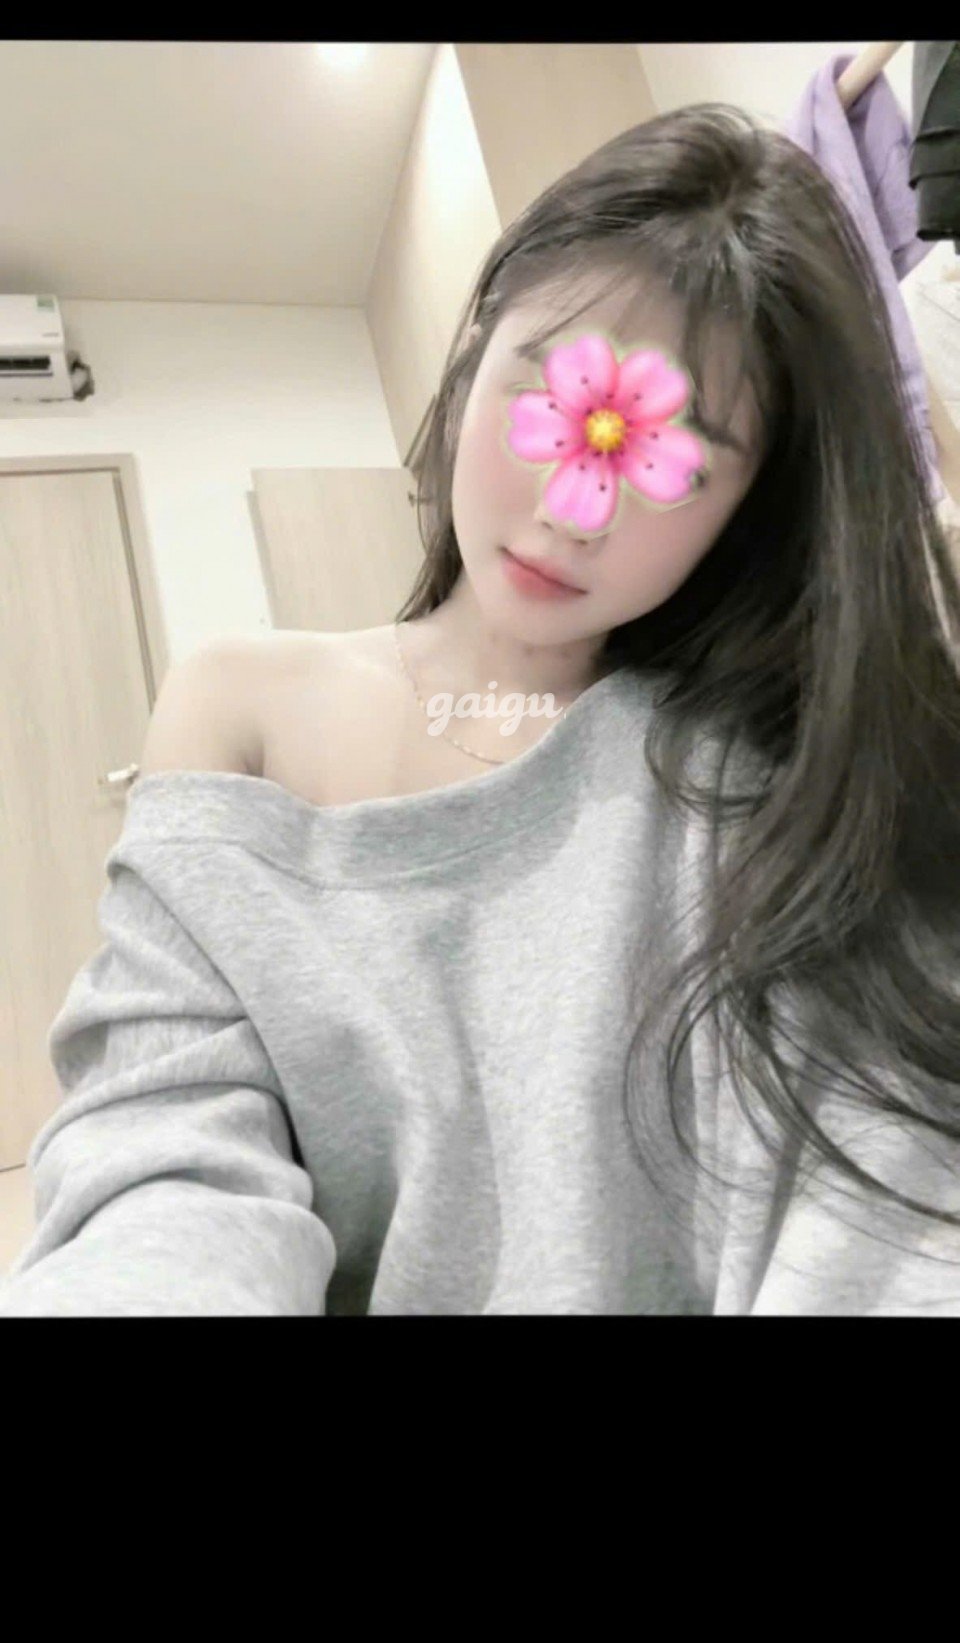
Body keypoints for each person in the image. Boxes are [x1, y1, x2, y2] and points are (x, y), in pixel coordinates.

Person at [5, 101, 960, 1317]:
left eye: (672, 457)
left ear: (746, 505)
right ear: (471, 362)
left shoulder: (761, 777)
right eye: (555, 393)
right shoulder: (239, 705)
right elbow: (163, 1147)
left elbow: (881, 1182)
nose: (571, 506)